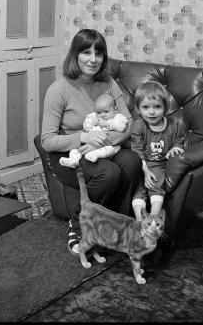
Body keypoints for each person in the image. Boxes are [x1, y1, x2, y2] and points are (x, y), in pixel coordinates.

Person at [41, 29, 142, 255]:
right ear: (75, 55)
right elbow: (47, 140)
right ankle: (77, 224)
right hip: (68, 154)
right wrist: (84, 138)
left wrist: (100, 141)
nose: (93, 59)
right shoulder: (58, 90)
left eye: (99, 53)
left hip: (102, 146)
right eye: (86, 52)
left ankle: (115, 225)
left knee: (133, 161)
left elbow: (128, 122)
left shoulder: (109, 84)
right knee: (109, 173)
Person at [130, 81, 187, 219]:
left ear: (165, 108)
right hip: (141, 163)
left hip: (159, 165)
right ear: (138, 109)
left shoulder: (174, 124)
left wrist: (175, 148)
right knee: (139, 189)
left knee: (156, 182)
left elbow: (179, 141)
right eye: (145, 107)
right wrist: (145, 171)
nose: (151, 112)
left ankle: (154, 216)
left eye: (157, 107)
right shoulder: (138, 125)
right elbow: (136, 150)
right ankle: (140, 220)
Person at [59, 93, 128, 167]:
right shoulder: (94, 116)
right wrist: (91, 122)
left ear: (115, 109)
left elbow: (121, 127)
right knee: (75, 148)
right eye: (99, 112)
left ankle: (94, 155)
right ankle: (73, 161)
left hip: (110, 145)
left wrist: (106, 123)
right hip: (90, 143)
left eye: (106, 111)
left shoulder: (118, 117)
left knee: (109, 149)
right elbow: (86, 128)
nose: (102, 115)